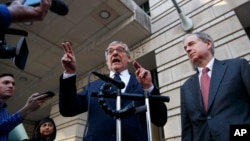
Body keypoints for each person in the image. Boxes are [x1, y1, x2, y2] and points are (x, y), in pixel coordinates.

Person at [59, 41, 168, 141]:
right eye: (110, 51)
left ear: (128, 58)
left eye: (120, 50)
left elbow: (160, 120)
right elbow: (68, 109)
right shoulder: (93, 87)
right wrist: (69, 73)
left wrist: (148, 87)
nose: (115, 53)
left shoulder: (142, 84)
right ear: (107, 61)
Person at [180, 32, 250, 141]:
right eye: (185, 48)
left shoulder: (237, 66)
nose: (188, 49)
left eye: (192, 44)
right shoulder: (186, 87)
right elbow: (187, 129)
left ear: (208, 44)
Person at [0, 73, 53, 141]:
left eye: (13, 84)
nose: (11, 86)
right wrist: (27, 108)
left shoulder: (6, 114)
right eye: (6, 82)